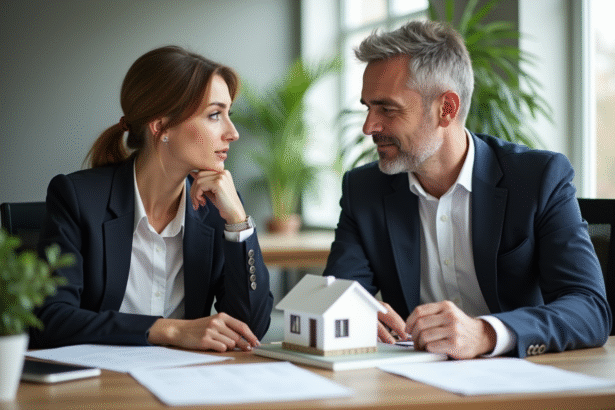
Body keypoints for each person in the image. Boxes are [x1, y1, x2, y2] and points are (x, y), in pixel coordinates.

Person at [323, 20, 612, 359]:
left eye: (386, 108)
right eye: (367, 107)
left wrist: (487, 333)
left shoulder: (538, 178)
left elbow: (589, 309)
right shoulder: (364, 189)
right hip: (409, 385)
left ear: (447, 108)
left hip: (522, 381)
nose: (369, 126)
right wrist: (350, 309)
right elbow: (336, 293)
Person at [31, 46, 273, 352]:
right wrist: (166, 329)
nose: (233, 132)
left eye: (228, 114)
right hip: (99, 389)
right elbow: (50, 320)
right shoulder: (78, 199)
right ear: (161, 126)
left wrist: (238, 224)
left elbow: (250, 329)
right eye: (214, 115)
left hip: (184, 387)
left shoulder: (218, 208)